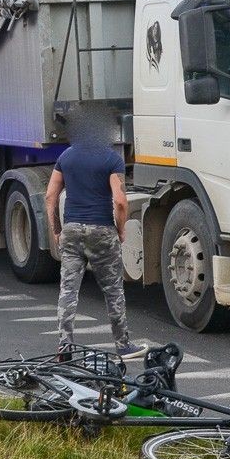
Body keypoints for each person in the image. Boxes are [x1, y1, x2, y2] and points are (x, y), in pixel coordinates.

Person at [45, 107, 146, 360]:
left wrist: (56, 230)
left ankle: (65, 347)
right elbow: (121, 201)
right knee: (113, 290)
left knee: (68, 290)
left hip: (71, 230)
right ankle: (123, 345)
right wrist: (120, 229)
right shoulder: (111, 158)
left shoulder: (65, 157)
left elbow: (50, 197)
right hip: (101, 230)